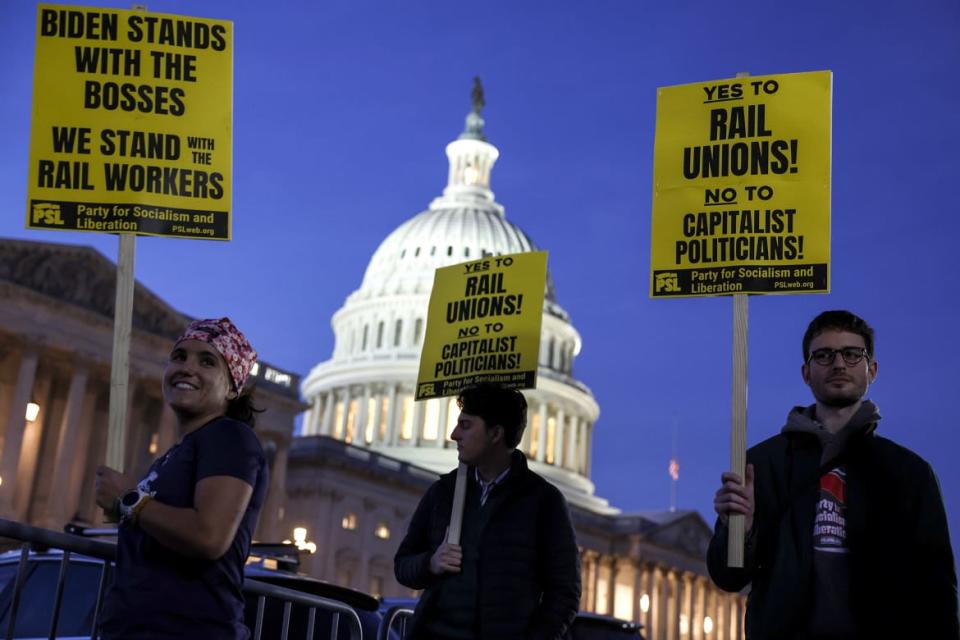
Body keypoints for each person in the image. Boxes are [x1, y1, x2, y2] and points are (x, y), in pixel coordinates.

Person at [708, 310, 959, 639]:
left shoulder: (909, 473)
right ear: (806, 373)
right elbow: (728, 577)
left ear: (872, 370)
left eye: (852, 354)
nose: (839, 364)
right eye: (824, 355)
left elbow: (937, 588)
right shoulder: (762, 463)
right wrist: (741, 529)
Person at [95, 317, 268, 639]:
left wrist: (128, 499)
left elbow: (208, 537)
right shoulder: (176, 454)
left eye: (207, 361)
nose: (187, 367)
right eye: (179, 357)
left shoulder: (229, 438)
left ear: (232, 387)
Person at [394, 383, 581, 639]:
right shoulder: (443, 492)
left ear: (496, 434)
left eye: (466, 425)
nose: (453, 434)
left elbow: (564, 593)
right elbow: (402, 564)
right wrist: (431, 562)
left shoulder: (544, 502)